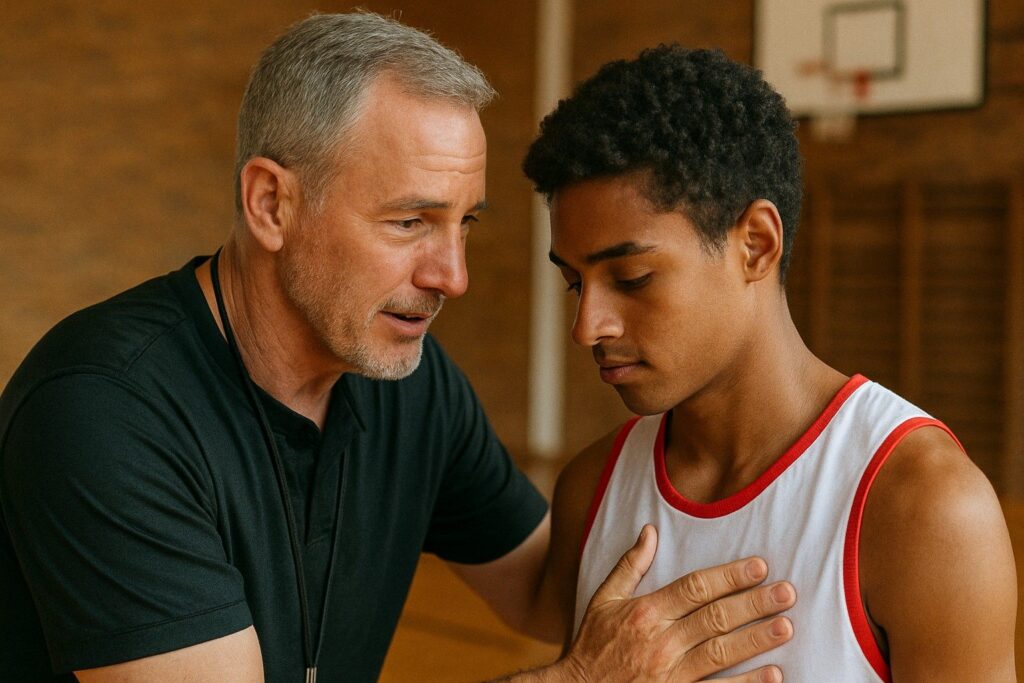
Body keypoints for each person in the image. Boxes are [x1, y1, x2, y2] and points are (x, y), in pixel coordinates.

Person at [0, 13, 797, 683]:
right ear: (272, 203)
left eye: (465, 223)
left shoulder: (406, 381)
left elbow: (556, 594)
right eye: (410, 222)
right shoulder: (102, 409)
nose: (452, 275)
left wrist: (735, 403)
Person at [522, 44, 1017, 681]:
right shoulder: (590, 488)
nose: (588, 325)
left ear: (756, 244)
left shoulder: (926, 507)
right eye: (574, 283)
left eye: (633, 277)